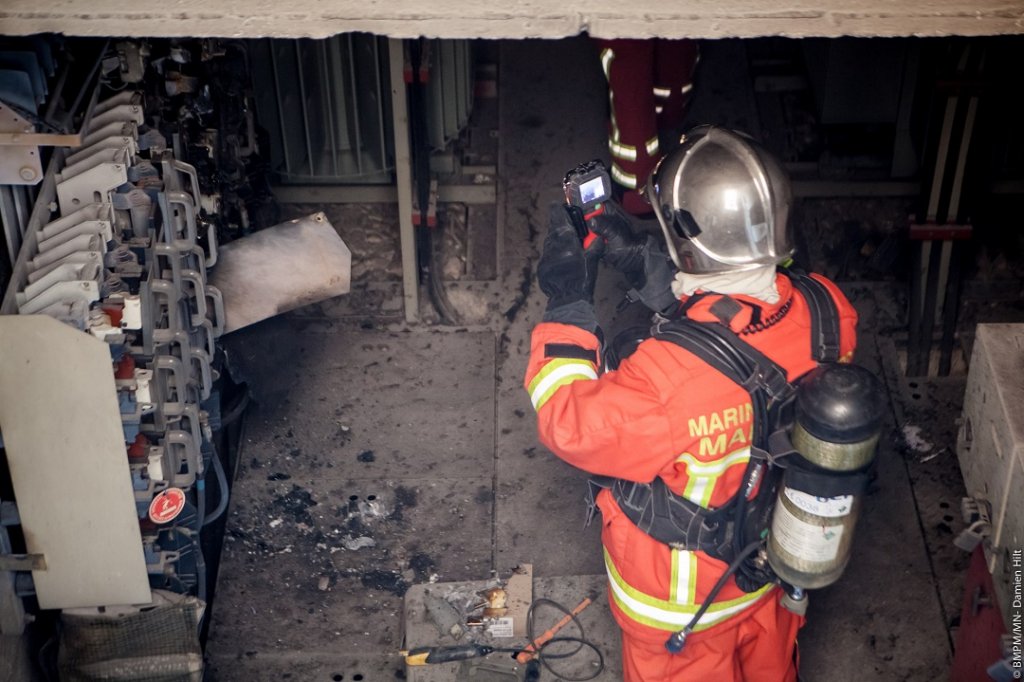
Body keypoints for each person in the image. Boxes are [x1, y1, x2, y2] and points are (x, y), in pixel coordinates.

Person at [524, 126, 859, 681]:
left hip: (681, 611)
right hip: (775, 574)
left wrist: (567, 303)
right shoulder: (829, 310)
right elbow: (744, 325)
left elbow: (568, 424)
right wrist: (649, 265)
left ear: (687, 239)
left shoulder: (664, 381)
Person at [595, 39, 700, 216]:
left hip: (642, 186)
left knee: (627, 55)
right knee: (676, 34)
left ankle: (639, 188)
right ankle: (669, 122)